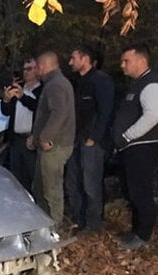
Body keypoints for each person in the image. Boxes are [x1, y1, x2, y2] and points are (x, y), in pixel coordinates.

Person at [112, 43, 158, 250]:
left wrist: (127, 136)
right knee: (133, 190)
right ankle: (136, 231)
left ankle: (143, 236)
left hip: (141, 147)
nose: (122, 65)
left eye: (126, 61)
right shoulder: (138, 84)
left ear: (142, 61)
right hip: (131, 148)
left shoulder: (150, 84)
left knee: (141, 191)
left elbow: (154, 115)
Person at [65, 45, 115, 235]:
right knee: (73, 181)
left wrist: (94, 138)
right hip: (76, 139)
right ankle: (79, 219)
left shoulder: (101, 81)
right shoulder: (78, 82)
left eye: (73, 58)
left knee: (91, 183)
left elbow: (106, 111)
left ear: (85, 59)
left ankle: (93, 224)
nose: (70, 62)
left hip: (92, 142)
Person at [28, 51, 75, 227]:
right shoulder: (55, 83)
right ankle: (42, 224)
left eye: (36, 67)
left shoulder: (56, 85)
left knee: (51, 190)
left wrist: (46, 137)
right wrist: (36, 136)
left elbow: (59, 113)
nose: (35, 71)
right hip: (50, 145)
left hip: (55, 147)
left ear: (42, 66)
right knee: (41, 188)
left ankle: (54, 228)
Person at [1, 58, 42, 192]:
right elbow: (6, 112)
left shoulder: (42, 90)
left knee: (33, 177)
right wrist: (6, 100)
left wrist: (23, 97)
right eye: (24, 69)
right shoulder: (18, 88)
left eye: (29, 69)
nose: (26, 72)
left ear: (37, 70)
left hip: (31, 140)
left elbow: (39, 108)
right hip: (16, 139)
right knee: (16, 178)